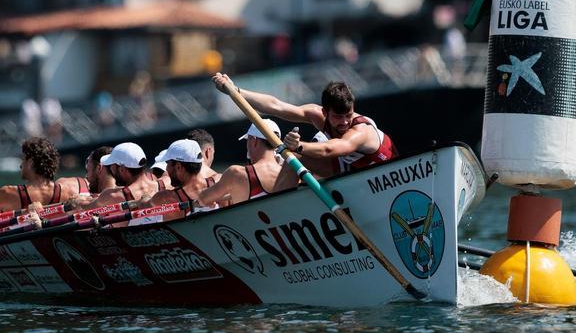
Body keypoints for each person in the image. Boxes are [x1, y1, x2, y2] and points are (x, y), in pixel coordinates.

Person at [213, 73, 395, 178]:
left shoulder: (361, 132)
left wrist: (299, 146)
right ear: (325, 113)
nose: (345, 122)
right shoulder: (316, 115)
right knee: (291, 159)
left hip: (388, 175)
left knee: (297, 152)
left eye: (348, 115)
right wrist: (235, 91)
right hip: (352, 169)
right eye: (338, 117)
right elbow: (277, 106)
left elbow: (330, 150)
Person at [197, 121, 288, 209]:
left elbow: (202, 199)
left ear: (253, 141)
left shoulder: (235, 174)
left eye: (247, 140)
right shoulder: (289, 173)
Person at [0, 137, 68, 216]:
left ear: (30, 163)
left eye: (23, 160)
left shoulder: (8, 193)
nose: (21, 165)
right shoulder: (67, 192)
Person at [130, 139, 215, 224]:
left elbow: (142, 205)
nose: (166, 169)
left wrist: (146, 197)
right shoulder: (219, 182)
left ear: (178, 167)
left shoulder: (164, 198)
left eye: (168, 164)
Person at [84, 142, 165, 209]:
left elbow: (85, 206)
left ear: (122, 169)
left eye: (112, 165)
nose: (111, 168)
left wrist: (78, 201)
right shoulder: (166, 185)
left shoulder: (113, 196)